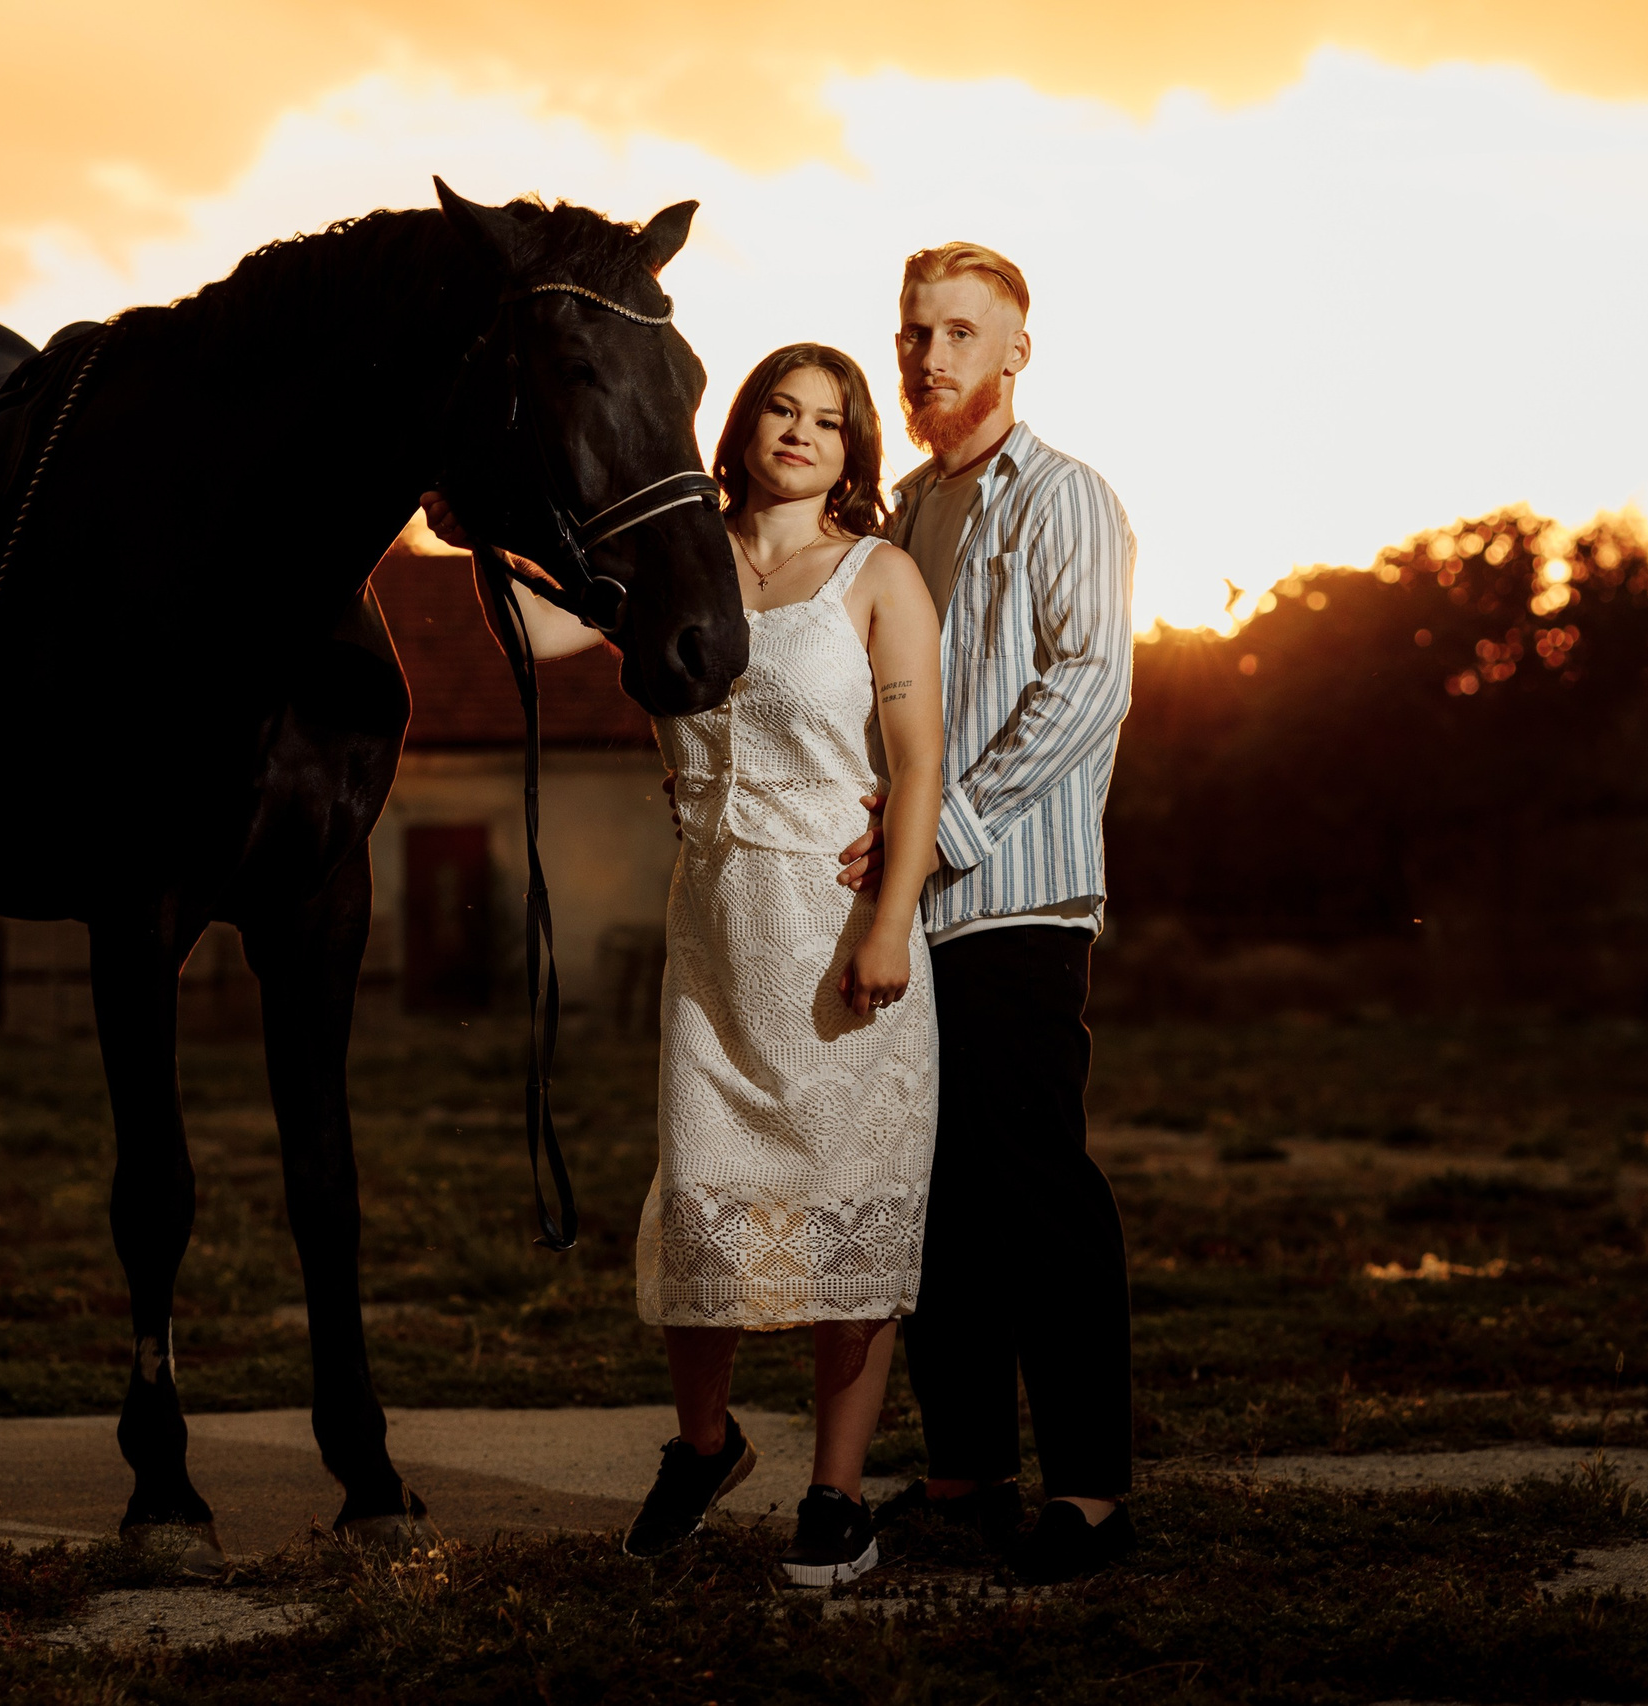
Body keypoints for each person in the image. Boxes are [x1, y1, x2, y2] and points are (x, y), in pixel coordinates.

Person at [424, 343, 944, 1589]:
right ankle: (703, 1448)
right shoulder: (671, 561)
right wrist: (476, 517)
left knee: (843, 1224)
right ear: (740, 421)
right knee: (705, 1202)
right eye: (781, 406)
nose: (801, 432)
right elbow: (535, 625)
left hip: (835, 925)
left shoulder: (880, 575)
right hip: (712, 926)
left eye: (829, 418)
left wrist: (888, 915)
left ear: (853, 446)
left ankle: (835, 1491)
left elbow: (919, 763)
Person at [835, 243, 1139, 1584]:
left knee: (1035, 1184)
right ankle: (964, 1470)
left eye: (960, 332)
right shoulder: (900, 515)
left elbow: (1085, 686)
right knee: (932, 1195)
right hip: (910, 905)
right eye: (915, 333)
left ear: (1017, 350)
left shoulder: (1063, 496)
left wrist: (937, 830)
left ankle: (1090, 1489)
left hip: (1016, 897)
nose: (929, 356)